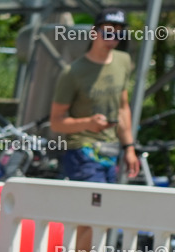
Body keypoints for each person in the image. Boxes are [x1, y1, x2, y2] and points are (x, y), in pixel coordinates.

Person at [50, 7, 139, 187]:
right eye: (107, 33)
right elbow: (56, 122)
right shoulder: (73, 72)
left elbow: (123, 108)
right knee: (92, 211)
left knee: (104, 211)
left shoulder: (123, 61)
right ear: (94, 33)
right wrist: (89, 123)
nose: (112, 40)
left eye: (118, 35)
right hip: (82, 153)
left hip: (111, 153)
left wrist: (129, 148)